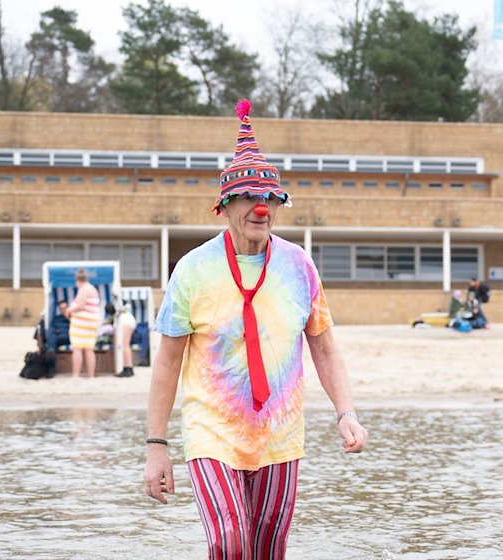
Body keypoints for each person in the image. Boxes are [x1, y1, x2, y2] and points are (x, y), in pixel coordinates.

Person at [143, 99, 368, 559]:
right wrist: (156, 446)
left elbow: (324, 348)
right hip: (213, 433)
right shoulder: (191, 270)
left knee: (267, 551)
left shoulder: (299, 265)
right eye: (247, 197)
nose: (259, 207)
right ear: (225, 206)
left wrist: (346, 412)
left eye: (267, 198)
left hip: (281, 436)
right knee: (229, 541)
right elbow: (168, 361)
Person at [65, 269, 101, 377]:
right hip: (92, 322)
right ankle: (90, 375)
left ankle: (76, 375)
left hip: (82, 324)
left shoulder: (84, 289)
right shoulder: (92, 289)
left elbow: (80, 305)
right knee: (89, 349)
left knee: (77, 348)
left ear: (77, 280)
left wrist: (69, 310)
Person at [107, 302, 137, 378]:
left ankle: (128, 368)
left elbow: (115, 326)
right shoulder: (122, 311)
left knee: (125, 345)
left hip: (127, 323)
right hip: (130, 322)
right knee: (126, 345)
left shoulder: (119, 315)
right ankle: (129, 367)